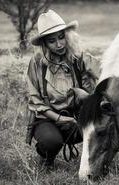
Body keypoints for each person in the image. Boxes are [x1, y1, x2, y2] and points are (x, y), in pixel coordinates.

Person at [26, 10, 98, 170]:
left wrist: (87, 96)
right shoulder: (36, 64)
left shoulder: (79, 58)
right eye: (52, 41)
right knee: (51, 141)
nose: (59, 44)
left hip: (75, 116)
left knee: (101, 125)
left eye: (61, 37)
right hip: (47, 118)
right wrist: (60, 119)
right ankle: (47, 157)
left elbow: (107, 70)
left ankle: (96, 159)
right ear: (44, 43)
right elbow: (35, 101)